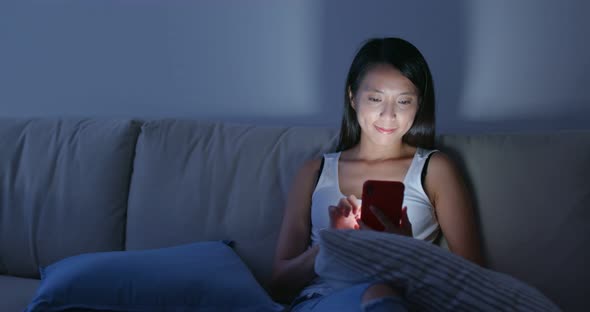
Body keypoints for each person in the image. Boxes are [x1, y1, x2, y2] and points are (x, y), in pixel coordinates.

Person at [270, 37, 483, 312]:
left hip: (400, 301)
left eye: (404, 101)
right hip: (323, 302)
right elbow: (278, 285)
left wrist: (406, 251)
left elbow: (475, 279)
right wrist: (332, 244)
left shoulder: (435, 169)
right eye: (375, 98)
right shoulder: (314, 171)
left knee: (378, 293)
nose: (388, 114)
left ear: (418, 106)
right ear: (352, 98)